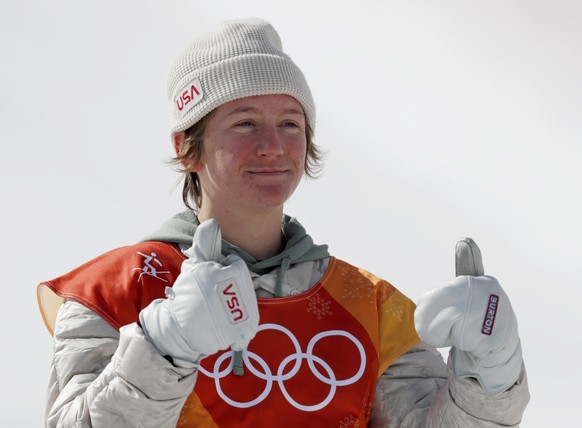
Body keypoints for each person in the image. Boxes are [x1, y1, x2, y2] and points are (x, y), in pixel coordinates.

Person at [37, 17, 529, 427]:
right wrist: (164, 347)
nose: (272, 145)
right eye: (244, 122)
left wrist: (491, 379)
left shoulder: (372, 306)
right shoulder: (114, 290)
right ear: (186, 147)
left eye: (290, 123)